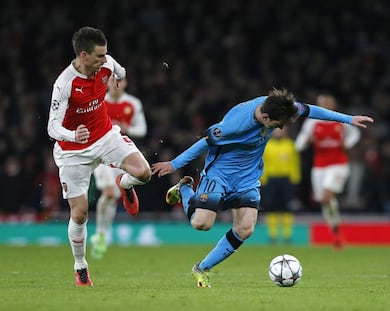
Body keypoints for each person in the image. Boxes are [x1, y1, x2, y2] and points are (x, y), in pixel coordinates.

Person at [151, 88, 373, 288]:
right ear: (265, 118)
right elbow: (204, 142)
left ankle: (201, 268)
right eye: (277, 125)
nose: (280, 128)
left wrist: (348, 119)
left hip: (247, 178)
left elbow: (310, 110)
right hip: (220, 174)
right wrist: (174, 164)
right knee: (201, 224)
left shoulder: (278, 106)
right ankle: (185, 189)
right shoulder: (235, 125)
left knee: (245, 228)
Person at [47, 26, 151, 286]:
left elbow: (120, 69)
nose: (105, 60)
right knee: (80, 213)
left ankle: (124, 184)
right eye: (99, 56)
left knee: (144, 173)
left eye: (106, 55)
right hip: (74, 152)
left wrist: (118, 76)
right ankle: (80, 266)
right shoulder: (64, 84)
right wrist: (73, 136)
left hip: (105, 137)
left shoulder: (106, 65)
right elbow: (52, 127)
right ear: (84, 56)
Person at [90, 77, 147, 259]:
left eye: (119, 81)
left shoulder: (133, 103)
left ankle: (102, 236)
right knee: (108, 193)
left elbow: (142, 130)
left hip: (123, 153)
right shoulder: (100, 102)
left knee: (114, 195)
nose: (116, 84)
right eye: (112, 81)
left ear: (125, 83)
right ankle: (100, 235)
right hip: (102, 154)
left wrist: (126, 128)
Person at [294, 94, 361, 250]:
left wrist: (348, 143)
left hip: (338, 165)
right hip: (319, 167)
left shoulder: (340, 120)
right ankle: (335, 230)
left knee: (326, 196)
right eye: (321, 103)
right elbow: (299, 144)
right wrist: (305, 141)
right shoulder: (312, 123)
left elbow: (355, 134)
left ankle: (336, 230)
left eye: (326, 102)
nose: (323, 105)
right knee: (324, 201)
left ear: (333, 105)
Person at [260, 126, 301, 244]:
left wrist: (295, 178)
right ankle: (273, 235)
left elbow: (295, 162)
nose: (278, 132)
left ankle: (287, 235)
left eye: (281, 130)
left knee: (287, 207)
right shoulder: (267, 146)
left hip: (286, 179)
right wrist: (263, 178)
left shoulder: (290, 145)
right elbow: (262, 162)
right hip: (270, 179)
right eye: (276, 130)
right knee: (270, 206)